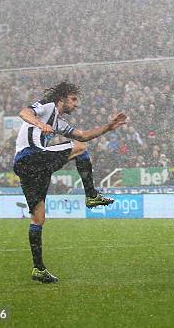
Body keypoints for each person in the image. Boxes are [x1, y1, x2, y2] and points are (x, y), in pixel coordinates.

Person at [13, 81, 128, 283]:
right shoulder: (48, 107)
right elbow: (24, 112)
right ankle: (91, 195)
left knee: (38, 218)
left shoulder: (58, 123)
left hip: (28, 167)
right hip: (31, 156)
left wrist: (109, 127)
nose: (76, 104)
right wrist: (40, 124)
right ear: (62, 99)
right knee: (80, 149)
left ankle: (38, 269)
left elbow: (83, 134)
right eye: (73, 99)